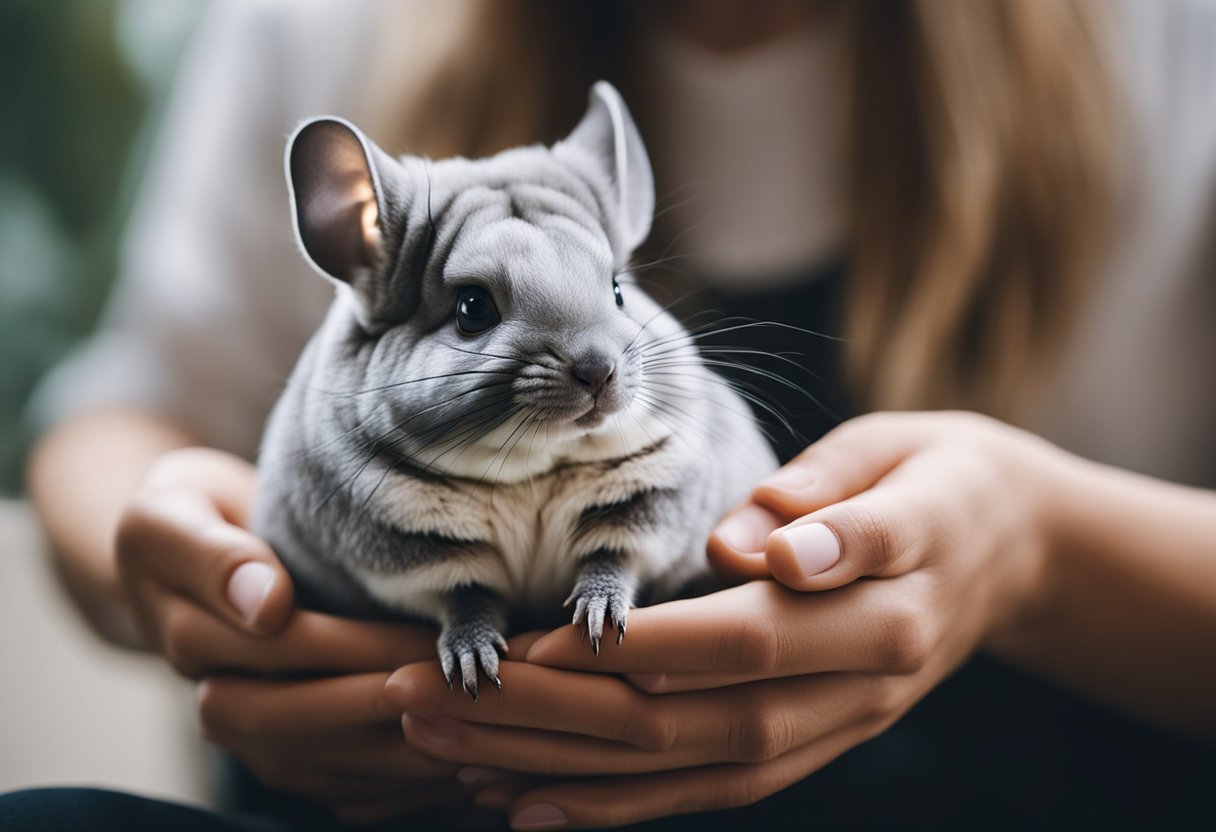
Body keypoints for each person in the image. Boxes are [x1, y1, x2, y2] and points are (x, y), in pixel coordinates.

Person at [13, 0, 1216, 829]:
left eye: (613, 299)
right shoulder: (322, 21)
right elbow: (129, 407)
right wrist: (180, 566)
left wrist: (1033, 548)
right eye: (478, 308)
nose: (593, 369)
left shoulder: (1164, 39)